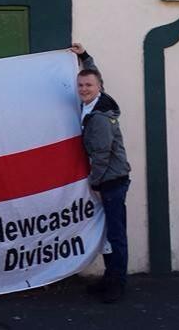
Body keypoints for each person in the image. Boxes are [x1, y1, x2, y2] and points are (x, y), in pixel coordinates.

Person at [70, 43, 131, 303]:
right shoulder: (93, 102)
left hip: (111, 181)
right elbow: (92, 71)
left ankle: (117, 282)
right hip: (109, 179)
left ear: (99, 88)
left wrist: (95, 182)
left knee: (115, 232)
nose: (84, 89)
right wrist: (84, 56)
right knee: (108, 231)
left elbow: (103, 155)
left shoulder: (99, 118)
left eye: (89, 86)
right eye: (81, 85)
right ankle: (110, 277)